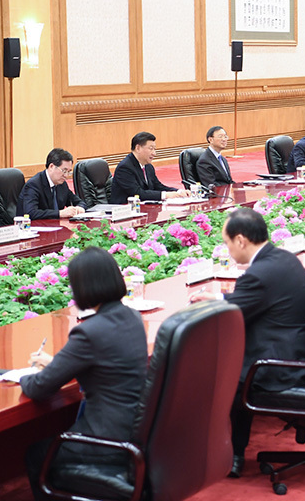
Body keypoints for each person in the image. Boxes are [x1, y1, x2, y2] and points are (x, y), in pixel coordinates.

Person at [189, 208, 305, 479]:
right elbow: (252, 299)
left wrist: (211, 305)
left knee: (226, 372)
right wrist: (219, 298)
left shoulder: (258, 274)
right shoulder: (283, 258)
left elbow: (234, 314)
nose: (227, 251)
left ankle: (231, 453)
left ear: (240, 240)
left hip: (282, 365)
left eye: (227, 243)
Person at [21, 246, 147, 500]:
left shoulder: (89, 332)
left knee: (37, 454)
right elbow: (106, 366)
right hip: (136, 430)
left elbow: (39, 388)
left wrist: (23, 375)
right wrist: (57, 363)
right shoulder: (132, 317)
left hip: (106, 439)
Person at [110, 132, 189, 203]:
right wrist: (166, 195)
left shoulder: (148, 166)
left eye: (154, 149)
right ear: (138, 148)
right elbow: (137, 193)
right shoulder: (125, 167)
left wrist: (178, 192)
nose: (154, 153)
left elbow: (158, 186)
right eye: (151, 149)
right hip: (124, 209)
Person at [17, 148, 87, 219]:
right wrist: (59, 213)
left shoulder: (62, 184)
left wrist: (80, 207)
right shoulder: (34, 184)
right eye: (64, 171)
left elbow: (78, 201)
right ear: (51, 166)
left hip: (55, 224)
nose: (66, 175)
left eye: (69, 172)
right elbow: (31, 213)